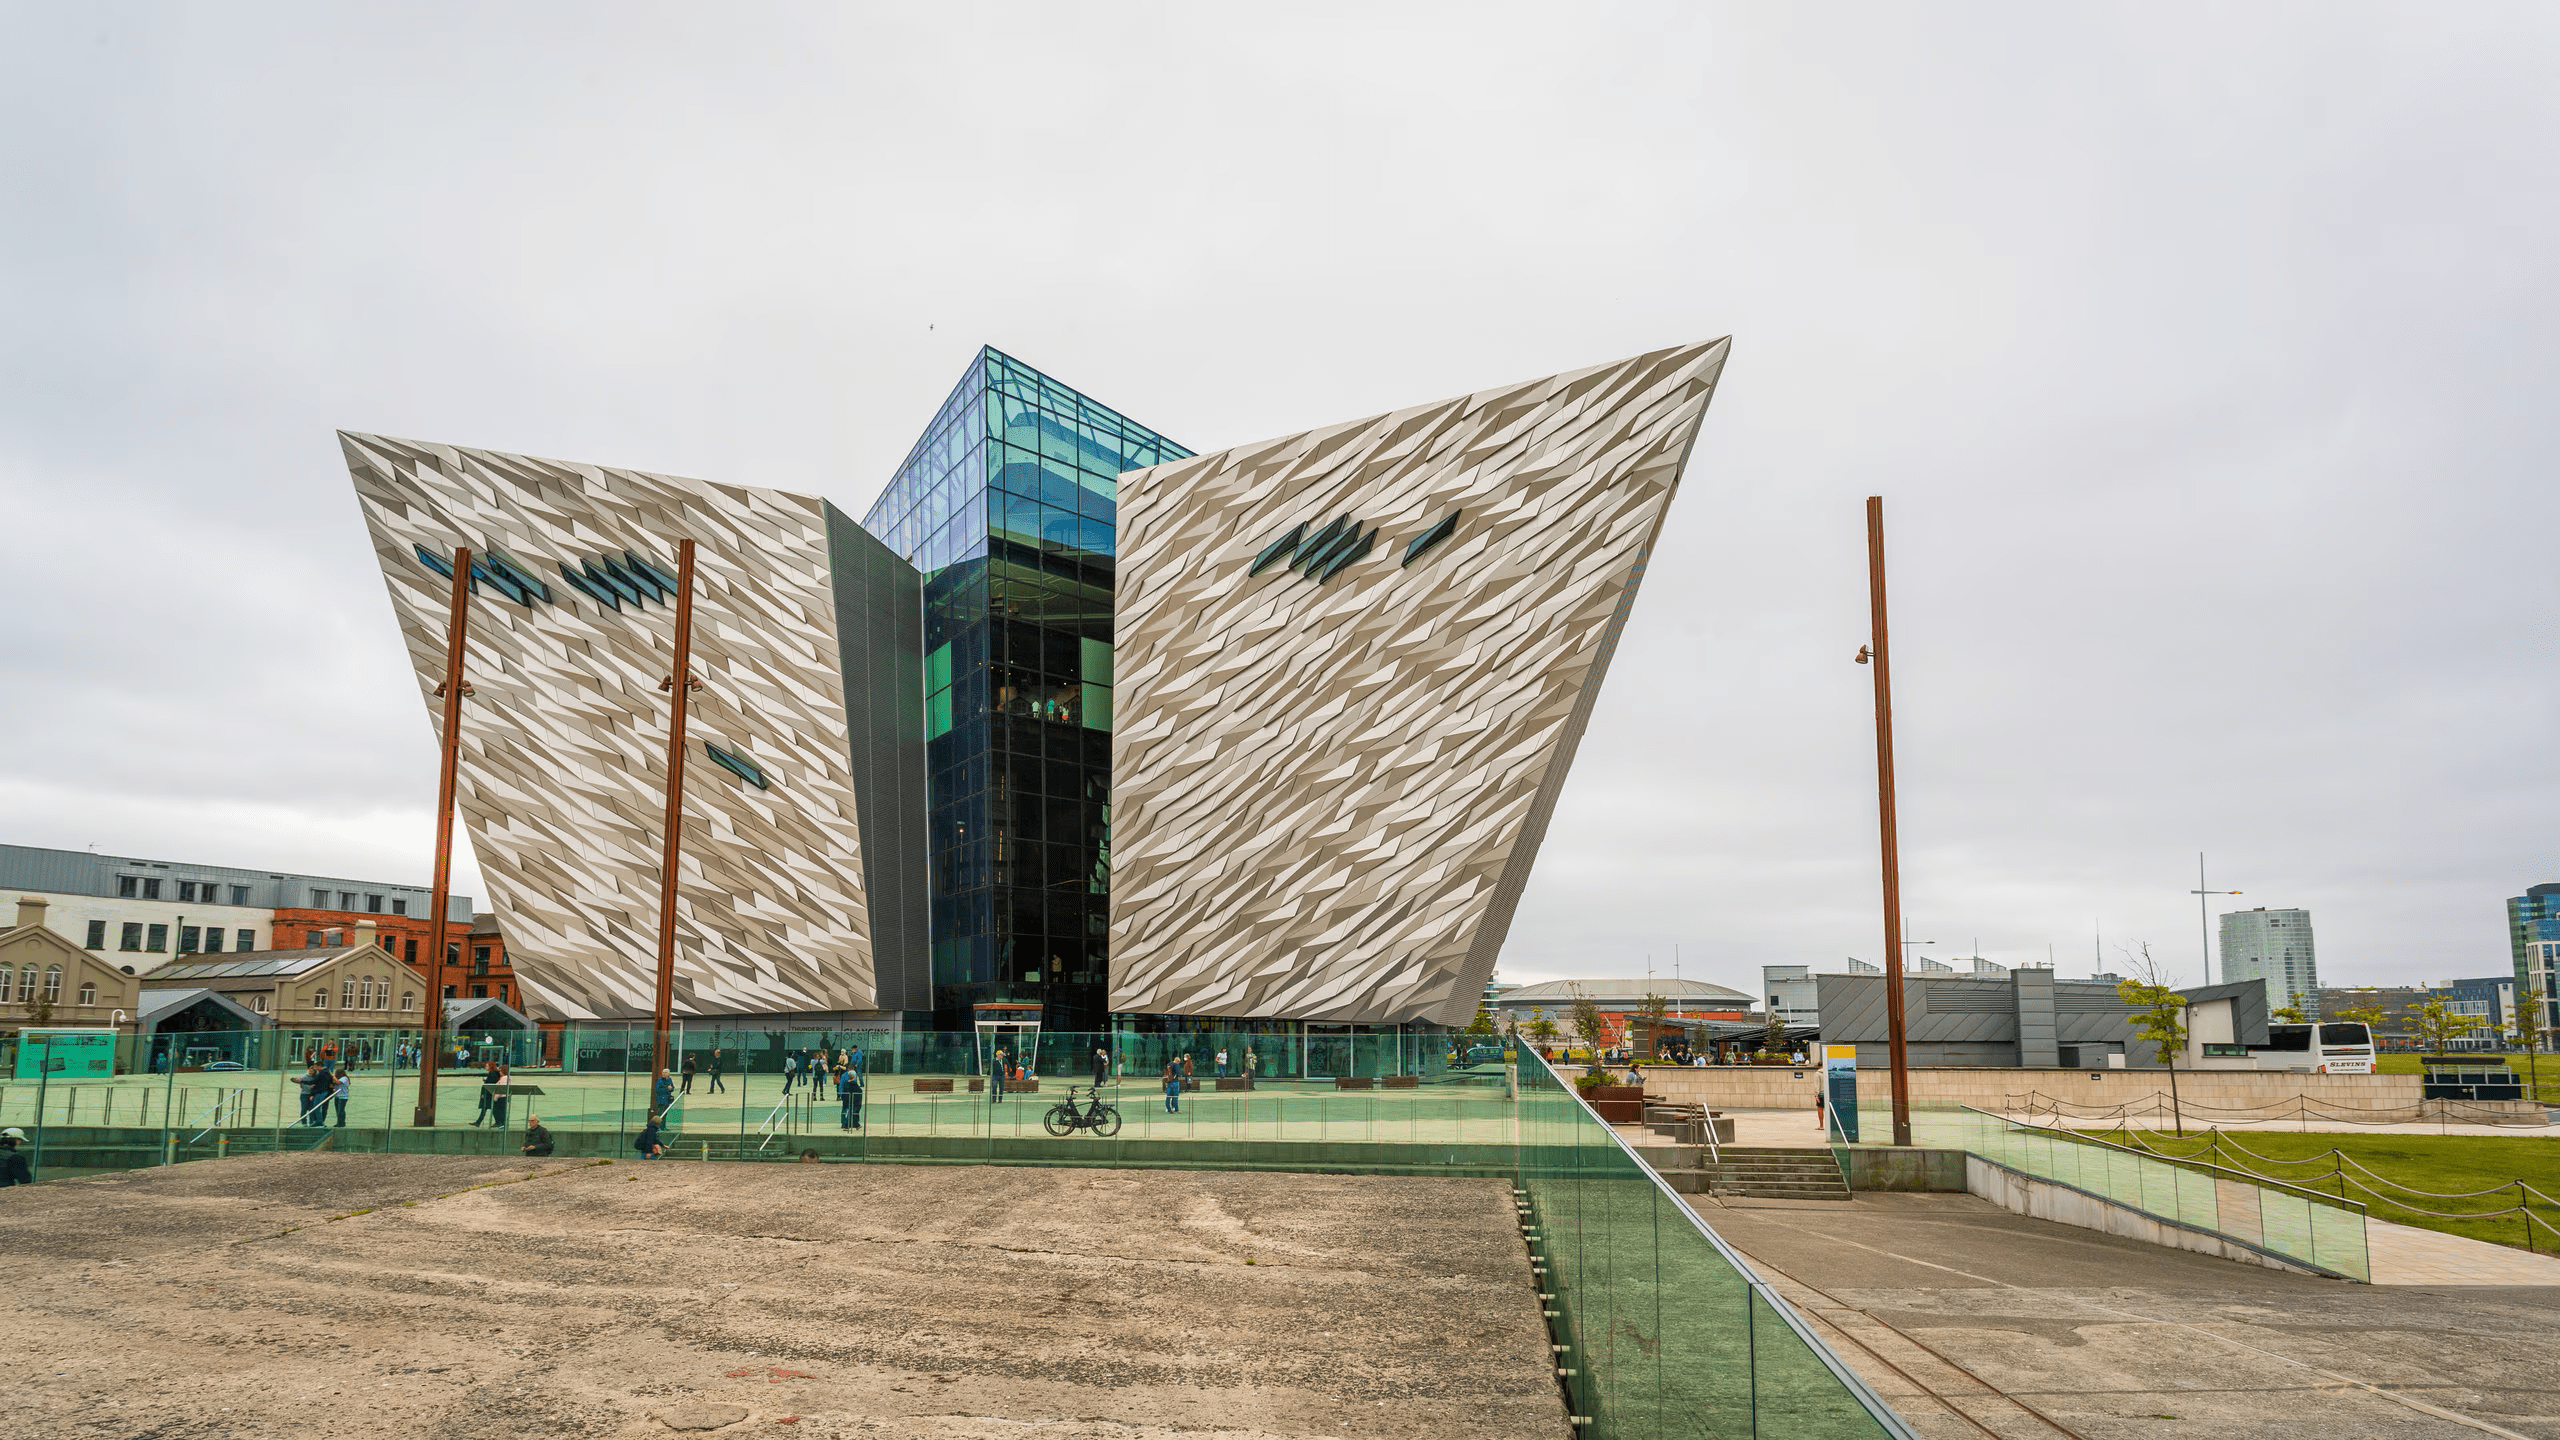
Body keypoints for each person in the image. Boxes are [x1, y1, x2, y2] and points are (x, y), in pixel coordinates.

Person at [472, 1061, 501, 1127]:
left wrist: (486, 1082)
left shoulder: (492, 1073)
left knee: (487, 1108)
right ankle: (478, 1122)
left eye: (487, 1066)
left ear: (490, 1067)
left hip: (489, 1094)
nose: (486, 1067)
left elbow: (492, 1083)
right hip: (489, 1093)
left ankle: (479, 1122)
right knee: (488, 1109)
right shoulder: (493, 1073)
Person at [838, 1061, 863, 1131]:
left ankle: (853, 1123)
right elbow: (841, 1085)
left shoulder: (851, 1076)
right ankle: (845, 1123)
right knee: (846, 1110)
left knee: (848, 1110)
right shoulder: (844, 1076)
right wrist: (841, 1094)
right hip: (848, 1095)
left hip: (847, 1094)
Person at [490, 1065, 513, 1129]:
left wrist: (496, 1097)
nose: (499, 1072)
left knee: (497, 1110)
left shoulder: (504, 1078)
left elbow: (501, 1088)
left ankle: (500, 1122)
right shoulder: (507, 1078)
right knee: (501, 1110)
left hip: (501, 1097)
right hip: (503, 1096)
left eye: (500, 1070)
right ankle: (500, 1122)